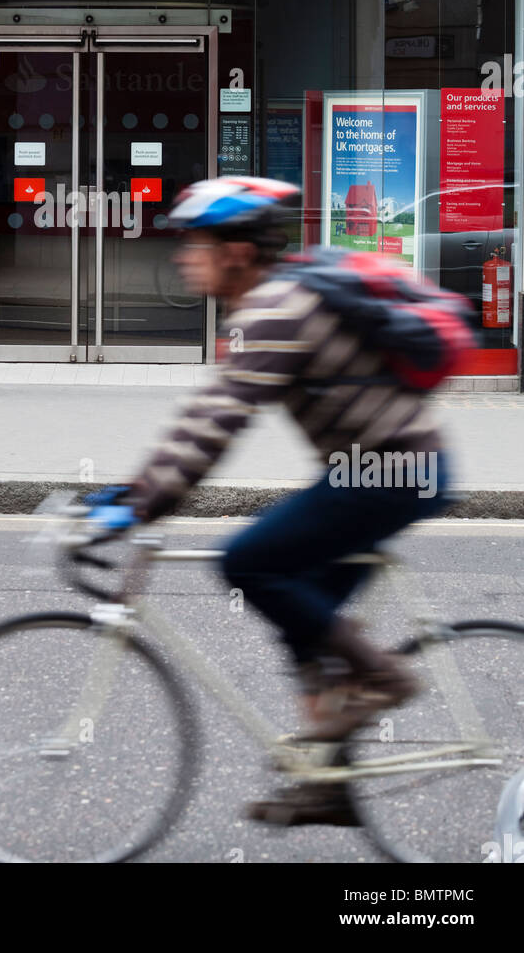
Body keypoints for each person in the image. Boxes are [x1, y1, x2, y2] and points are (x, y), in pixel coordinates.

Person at [91, 176, 452, 826]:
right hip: (386, 468)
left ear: (235, 251)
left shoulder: (272, 311)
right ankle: (329, 783)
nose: (181, 256)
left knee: (248, 562)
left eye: (194, 243)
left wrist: (145, 501)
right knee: (306, 621)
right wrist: (134, 489)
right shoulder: (269, 306)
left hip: (391, 471)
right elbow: (207, 412)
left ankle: (386, 679)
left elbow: (215, 423)